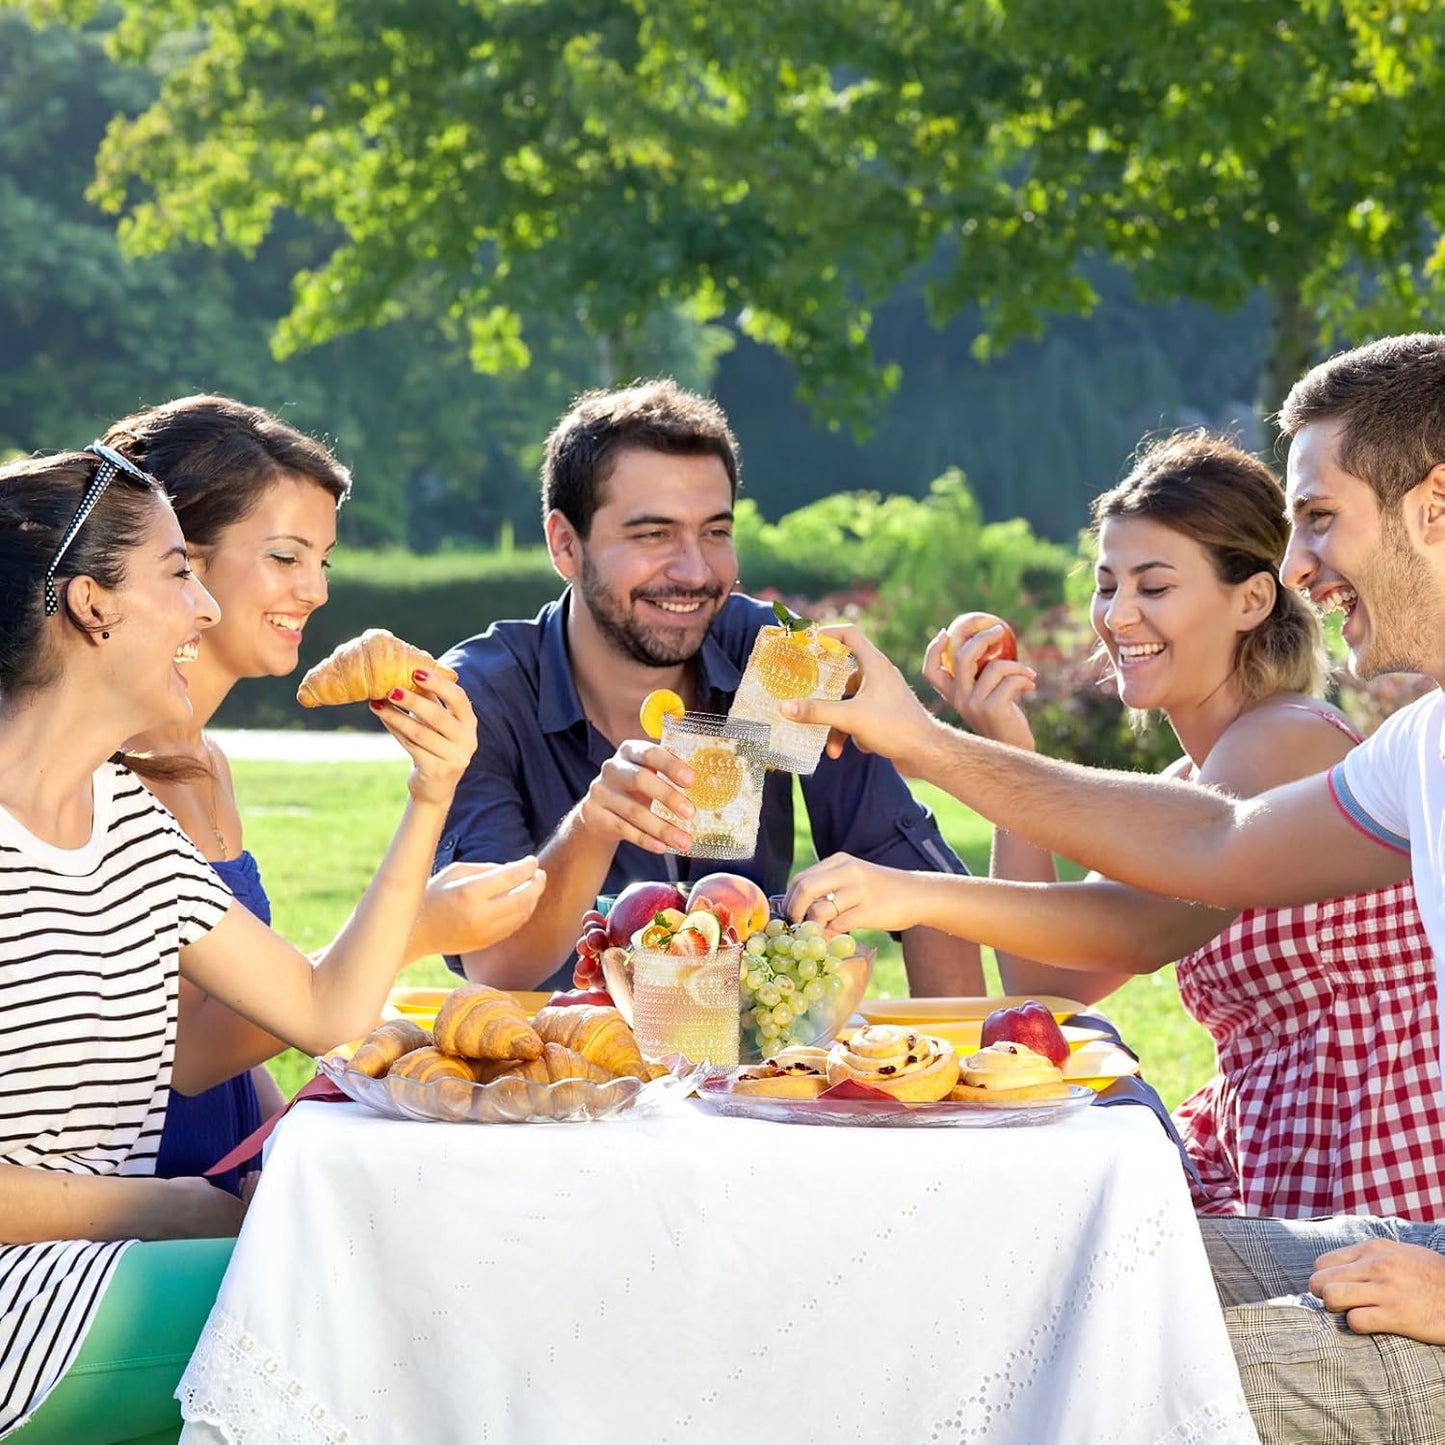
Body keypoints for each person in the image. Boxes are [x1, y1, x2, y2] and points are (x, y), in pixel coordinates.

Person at [779, 333, 1445, 1443]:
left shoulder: (1295, 732)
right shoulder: (1417, 746)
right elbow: (1211, 849)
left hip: (1380, 1176)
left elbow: (1141, 913)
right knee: (1002, 1290)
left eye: (1319, 518)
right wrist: (947, 745)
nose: (1297, 568)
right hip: (1381, 1220)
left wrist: (915, 871)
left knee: (1069, 1384)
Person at [789, 430, 1441, 1220]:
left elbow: (1137, 930)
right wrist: (1006, 751)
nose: (1117, 614)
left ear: (1251, 598)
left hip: (1374, 1163)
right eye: (1105, 585)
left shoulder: (1289, 736)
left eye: (1153, 586)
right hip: (1275, 1149)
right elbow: (1043, 984)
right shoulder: (1187, 784)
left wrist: (914, 890)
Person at [0, 444, 474, 1441]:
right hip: (27, 1317)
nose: (206, 608)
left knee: (420, 1281)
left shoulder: (126, 822)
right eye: (178, 572)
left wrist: (427, 797)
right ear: (93, 604)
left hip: (111, 1275)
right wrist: (180, 1205)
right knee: (389, 1313)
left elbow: (319, 1008)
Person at [102, 395, 545, 1194]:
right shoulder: (108, 768)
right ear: (179, 559)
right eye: (284, 556)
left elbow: (234, 1064)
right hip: (148, 1207)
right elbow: (188, 1057)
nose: (316, 590)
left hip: (224, 1176)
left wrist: (276, 1146)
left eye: (323, 560)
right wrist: (414, 929)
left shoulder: (206, 763)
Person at [435, 377, 981, 995]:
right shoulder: (480, 694)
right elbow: (496, 964)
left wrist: (950, 1072)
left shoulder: (777, 660)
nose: (696, 571)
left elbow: (931, 900)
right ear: (566, 544)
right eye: (653, 534)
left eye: (716, 532)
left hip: (749, 1078)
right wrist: (593, 825)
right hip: (558, 1077)